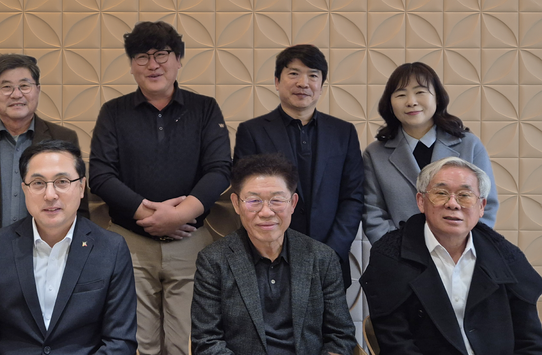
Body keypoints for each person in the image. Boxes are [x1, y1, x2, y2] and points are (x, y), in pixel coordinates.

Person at [89, 21, 232, 355]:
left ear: (178, 59)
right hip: (129, 243)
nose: (152, 65)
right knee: (139, 344)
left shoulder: (205, 108)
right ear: (131, 65)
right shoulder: (113, 112)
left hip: (191, 242)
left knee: (187, 343)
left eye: (162, 55)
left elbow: (220, 170)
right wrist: (148, 214)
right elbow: (100, 174)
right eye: (142, 57)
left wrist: (178, 215)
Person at [0, 140, 137, 354]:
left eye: (62, 181)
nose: (50, 195)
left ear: (81, 187)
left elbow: (120, 342)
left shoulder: (111, 248)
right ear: (24, 189)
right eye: (38, 183)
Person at [360, 157, 542, 354]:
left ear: (481, 206)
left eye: (465, 195)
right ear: (421, 201)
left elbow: (530, 341)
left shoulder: (506, 258)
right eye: (441, 193)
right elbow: (396, 345)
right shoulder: (390, 257)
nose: (453, 204)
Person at [0, 53, 85, 315]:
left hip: (51, 263)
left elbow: (80, 210)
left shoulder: (64, 138)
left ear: (38, 90)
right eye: (6, 87)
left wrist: (78, 271)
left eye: (24, 85)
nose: (16, 94)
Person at [191, 154, 356, 355]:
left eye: (277, 200)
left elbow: (341, 336)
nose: (266, 212)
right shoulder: (213, 260)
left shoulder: (322, 258)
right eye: (254, 201)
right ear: (236, 204)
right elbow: (206, 341)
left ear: (293, 203)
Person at [233, 44, 363, 290]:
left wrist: (331, 252)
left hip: (329, 260)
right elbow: (248, 198)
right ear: (277, 81)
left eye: (313, 75)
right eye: (293, 73)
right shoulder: (252, 132)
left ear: (321, 85)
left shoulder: (343, 133)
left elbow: (353, 197)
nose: (303, 83)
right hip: (269, 261)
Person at [362, 62, 499, 244]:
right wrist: (397, 251)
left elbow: (486, 205)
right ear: (390, 103)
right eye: (401, 95)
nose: (411, 102)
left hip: (459, 252)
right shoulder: (375, 154)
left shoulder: (469, 145)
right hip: (399, 254)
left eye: (420, 92)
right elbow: (373, 213)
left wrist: (459, 248)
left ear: (437, 98)